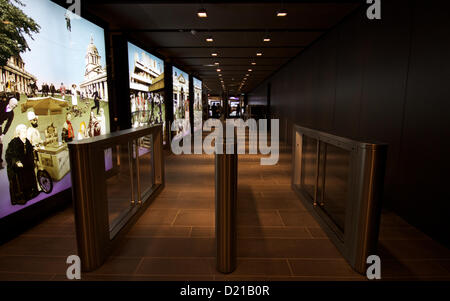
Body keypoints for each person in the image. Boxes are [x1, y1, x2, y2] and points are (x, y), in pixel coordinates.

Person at [5, 124, 39, 205]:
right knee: (20, 180)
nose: (25, 132)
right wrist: (17, 162)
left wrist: (34, 148)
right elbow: (9, 155)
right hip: (17, 167)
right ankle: (20, 198)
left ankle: (30, 194)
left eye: (25, 130)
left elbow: (29, 149)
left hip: (26, 164)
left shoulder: (26, 140)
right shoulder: (13, 142)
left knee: (29, 175)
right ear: (19, 133)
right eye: (23, 131)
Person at [0, 98, 18, 169]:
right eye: (14, 104)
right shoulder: (2, 104)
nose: (14, 106)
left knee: (0, 143)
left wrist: (3, 134)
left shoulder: (11, 114)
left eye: (16, 106)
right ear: (10, 102)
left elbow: (8, 124)